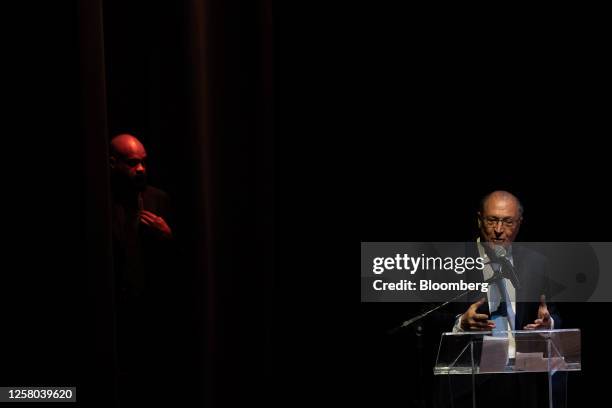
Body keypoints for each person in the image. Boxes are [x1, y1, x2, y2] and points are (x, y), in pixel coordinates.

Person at [438, 190, 563, 408]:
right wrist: (460, 324)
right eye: (492, 220)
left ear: (519, 223)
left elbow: (553, 315)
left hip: (522, 381)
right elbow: (428, 319)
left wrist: (548, 324)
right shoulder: (450, 262)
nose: (498, 230)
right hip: (471, 382)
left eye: (507, 222)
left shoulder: (536, 263)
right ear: (479, 219)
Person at [109, 133, 178, 406]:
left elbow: (180, 262)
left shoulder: (158, 199)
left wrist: (167, 235)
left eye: (143, 163)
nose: (140, 169)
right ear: (113, 164)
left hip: (152, 310)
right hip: (116, 311)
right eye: (132, 163)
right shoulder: (102, 202)